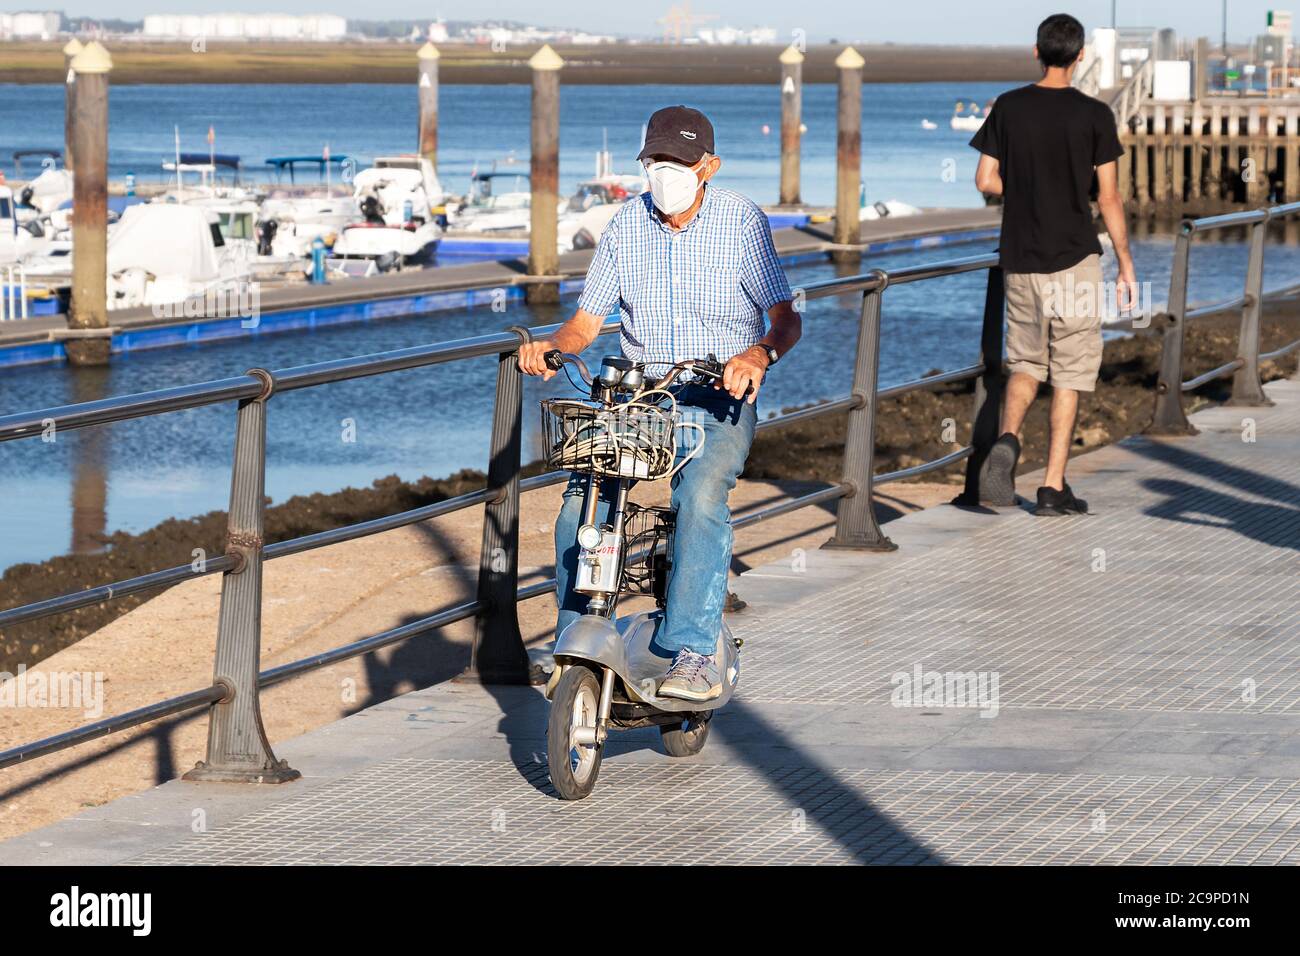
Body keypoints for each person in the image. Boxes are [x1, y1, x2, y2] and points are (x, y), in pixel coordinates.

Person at [519, 105, 801, 701]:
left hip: (717, 394)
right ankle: (575, 642)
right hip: (638, 396)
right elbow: (587, 322)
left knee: (699, 496)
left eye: (676, 161)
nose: (664, 172)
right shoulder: (625, 225)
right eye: (655, 160)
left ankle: (693, 649)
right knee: (581, 502)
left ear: (708, 166)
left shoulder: (742, 222)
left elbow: (785, 318)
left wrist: (757, 356)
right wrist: (553, 347)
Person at [971, 12, 1138, 516]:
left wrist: (1027, 188)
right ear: (1081, 56)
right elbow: (1108, 198)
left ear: (1036, 51)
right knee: (1070, 371)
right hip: (1075, 261)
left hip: (1020, 260)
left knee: (1025, 363)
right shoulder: (1095, 115)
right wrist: (1127, 265)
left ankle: (1007, 439)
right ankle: (1051, 485)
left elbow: (984, 180)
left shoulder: (1008, 107)